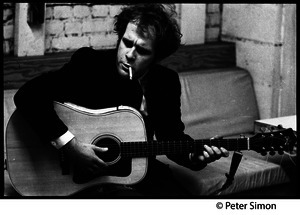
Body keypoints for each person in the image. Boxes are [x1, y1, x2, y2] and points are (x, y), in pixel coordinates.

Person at [14, 4, 229, 197]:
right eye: (127, 43)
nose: (129, 54)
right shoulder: (89, 64)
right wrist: (71, 146)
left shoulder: (165, 81)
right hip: (87, 178)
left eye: (142, 50)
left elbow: (171, 137)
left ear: (157, 56)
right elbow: (27, 95)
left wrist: (194, 156)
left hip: (140, 172)